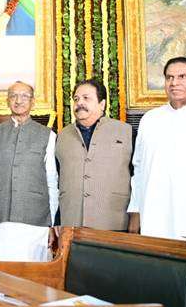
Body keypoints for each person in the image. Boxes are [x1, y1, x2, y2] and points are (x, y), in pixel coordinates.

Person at [128, 57, 186, 241]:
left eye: (182, 76)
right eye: (169, 77)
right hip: (156, 219)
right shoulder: (150, 119)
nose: (174, 83)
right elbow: (138, 169)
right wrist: (135, 210)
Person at [0, 81, 58, 261]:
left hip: (37, 220)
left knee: (35, 276)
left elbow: (52, 180)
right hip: (2, 218)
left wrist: (52, 224)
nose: (18, 101)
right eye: (13, 96)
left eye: (24, 96)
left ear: (33, 102)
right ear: (7, 101)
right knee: (3, 274)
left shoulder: (48, 135)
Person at [55, 79, 132, 231]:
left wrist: (137, 215)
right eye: (76, 99)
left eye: (86, 98)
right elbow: (56, 182)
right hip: (71, 224)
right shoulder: (61, 136)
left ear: (102, 104)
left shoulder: (126, 132)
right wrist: (57, 221)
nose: (79, 103)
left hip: (114, 223)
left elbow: (138, 178)